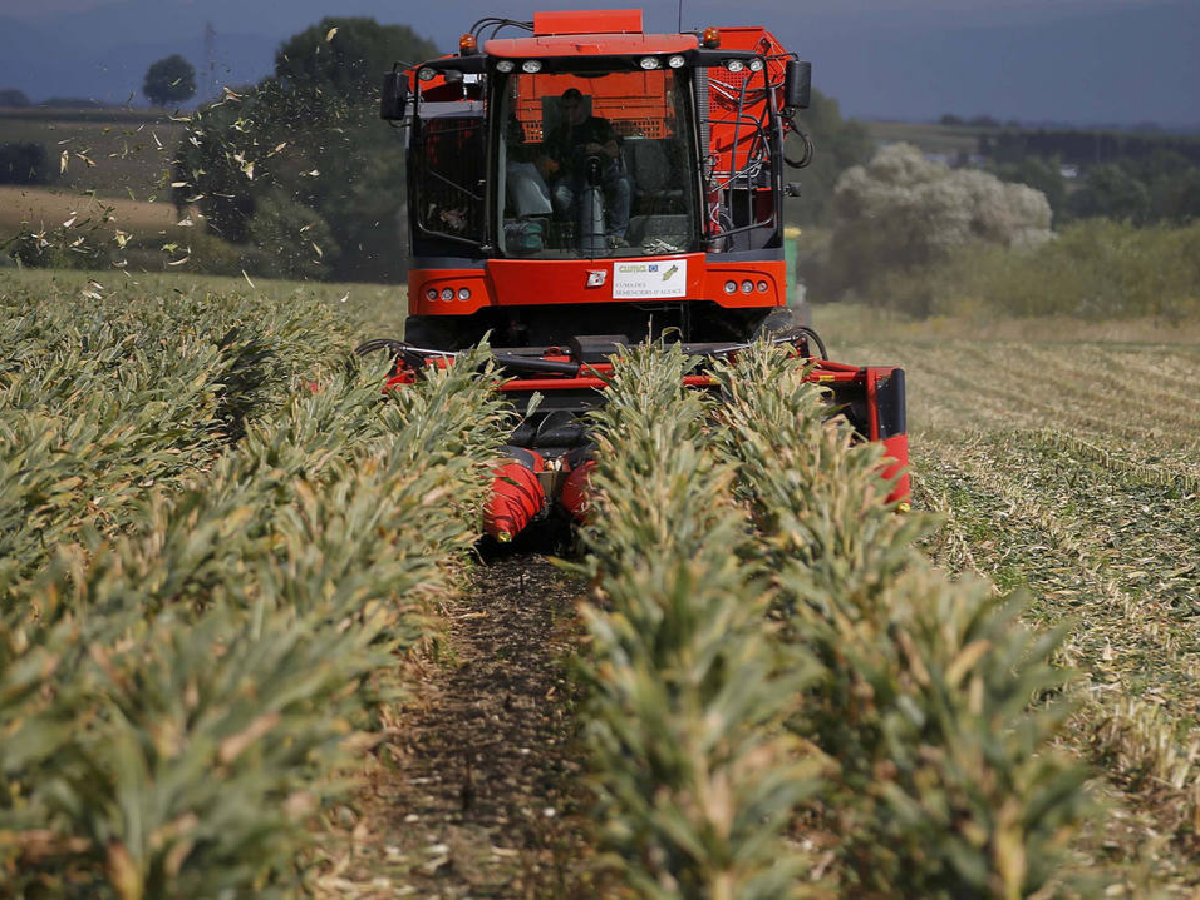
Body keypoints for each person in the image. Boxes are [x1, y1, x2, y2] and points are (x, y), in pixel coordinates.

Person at [539, 88, 631, 247]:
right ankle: (579, 229)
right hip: (573, 177)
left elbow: (614, 150)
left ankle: (617, 235)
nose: (570, 112)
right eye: (566, 108)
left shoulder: (599, 125)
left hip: (603, 174)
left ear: (582, 106)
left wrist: (599, 149)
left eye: (574, 107)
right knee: (561, 195)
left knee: (623, 185)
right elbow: (545, 160)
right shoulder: (559, 133)